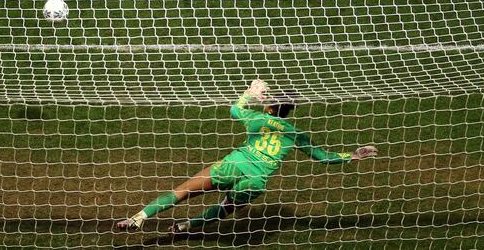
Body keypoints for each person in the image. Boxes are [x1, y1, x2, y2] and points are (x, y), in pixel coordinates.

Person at [115, 79, 378, 234]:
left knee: (183, 191)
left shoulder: (257, 118)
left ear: (270, 105)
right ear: (287, 112)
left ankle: (138, 218)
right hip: (256, 181)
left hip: (233, 165)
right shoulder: (296, 134)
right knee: (226, 208)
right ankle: (187, 226)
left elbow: (234, 109)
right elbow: (323, 157)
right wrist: (353, 155)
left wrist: (249, 93)